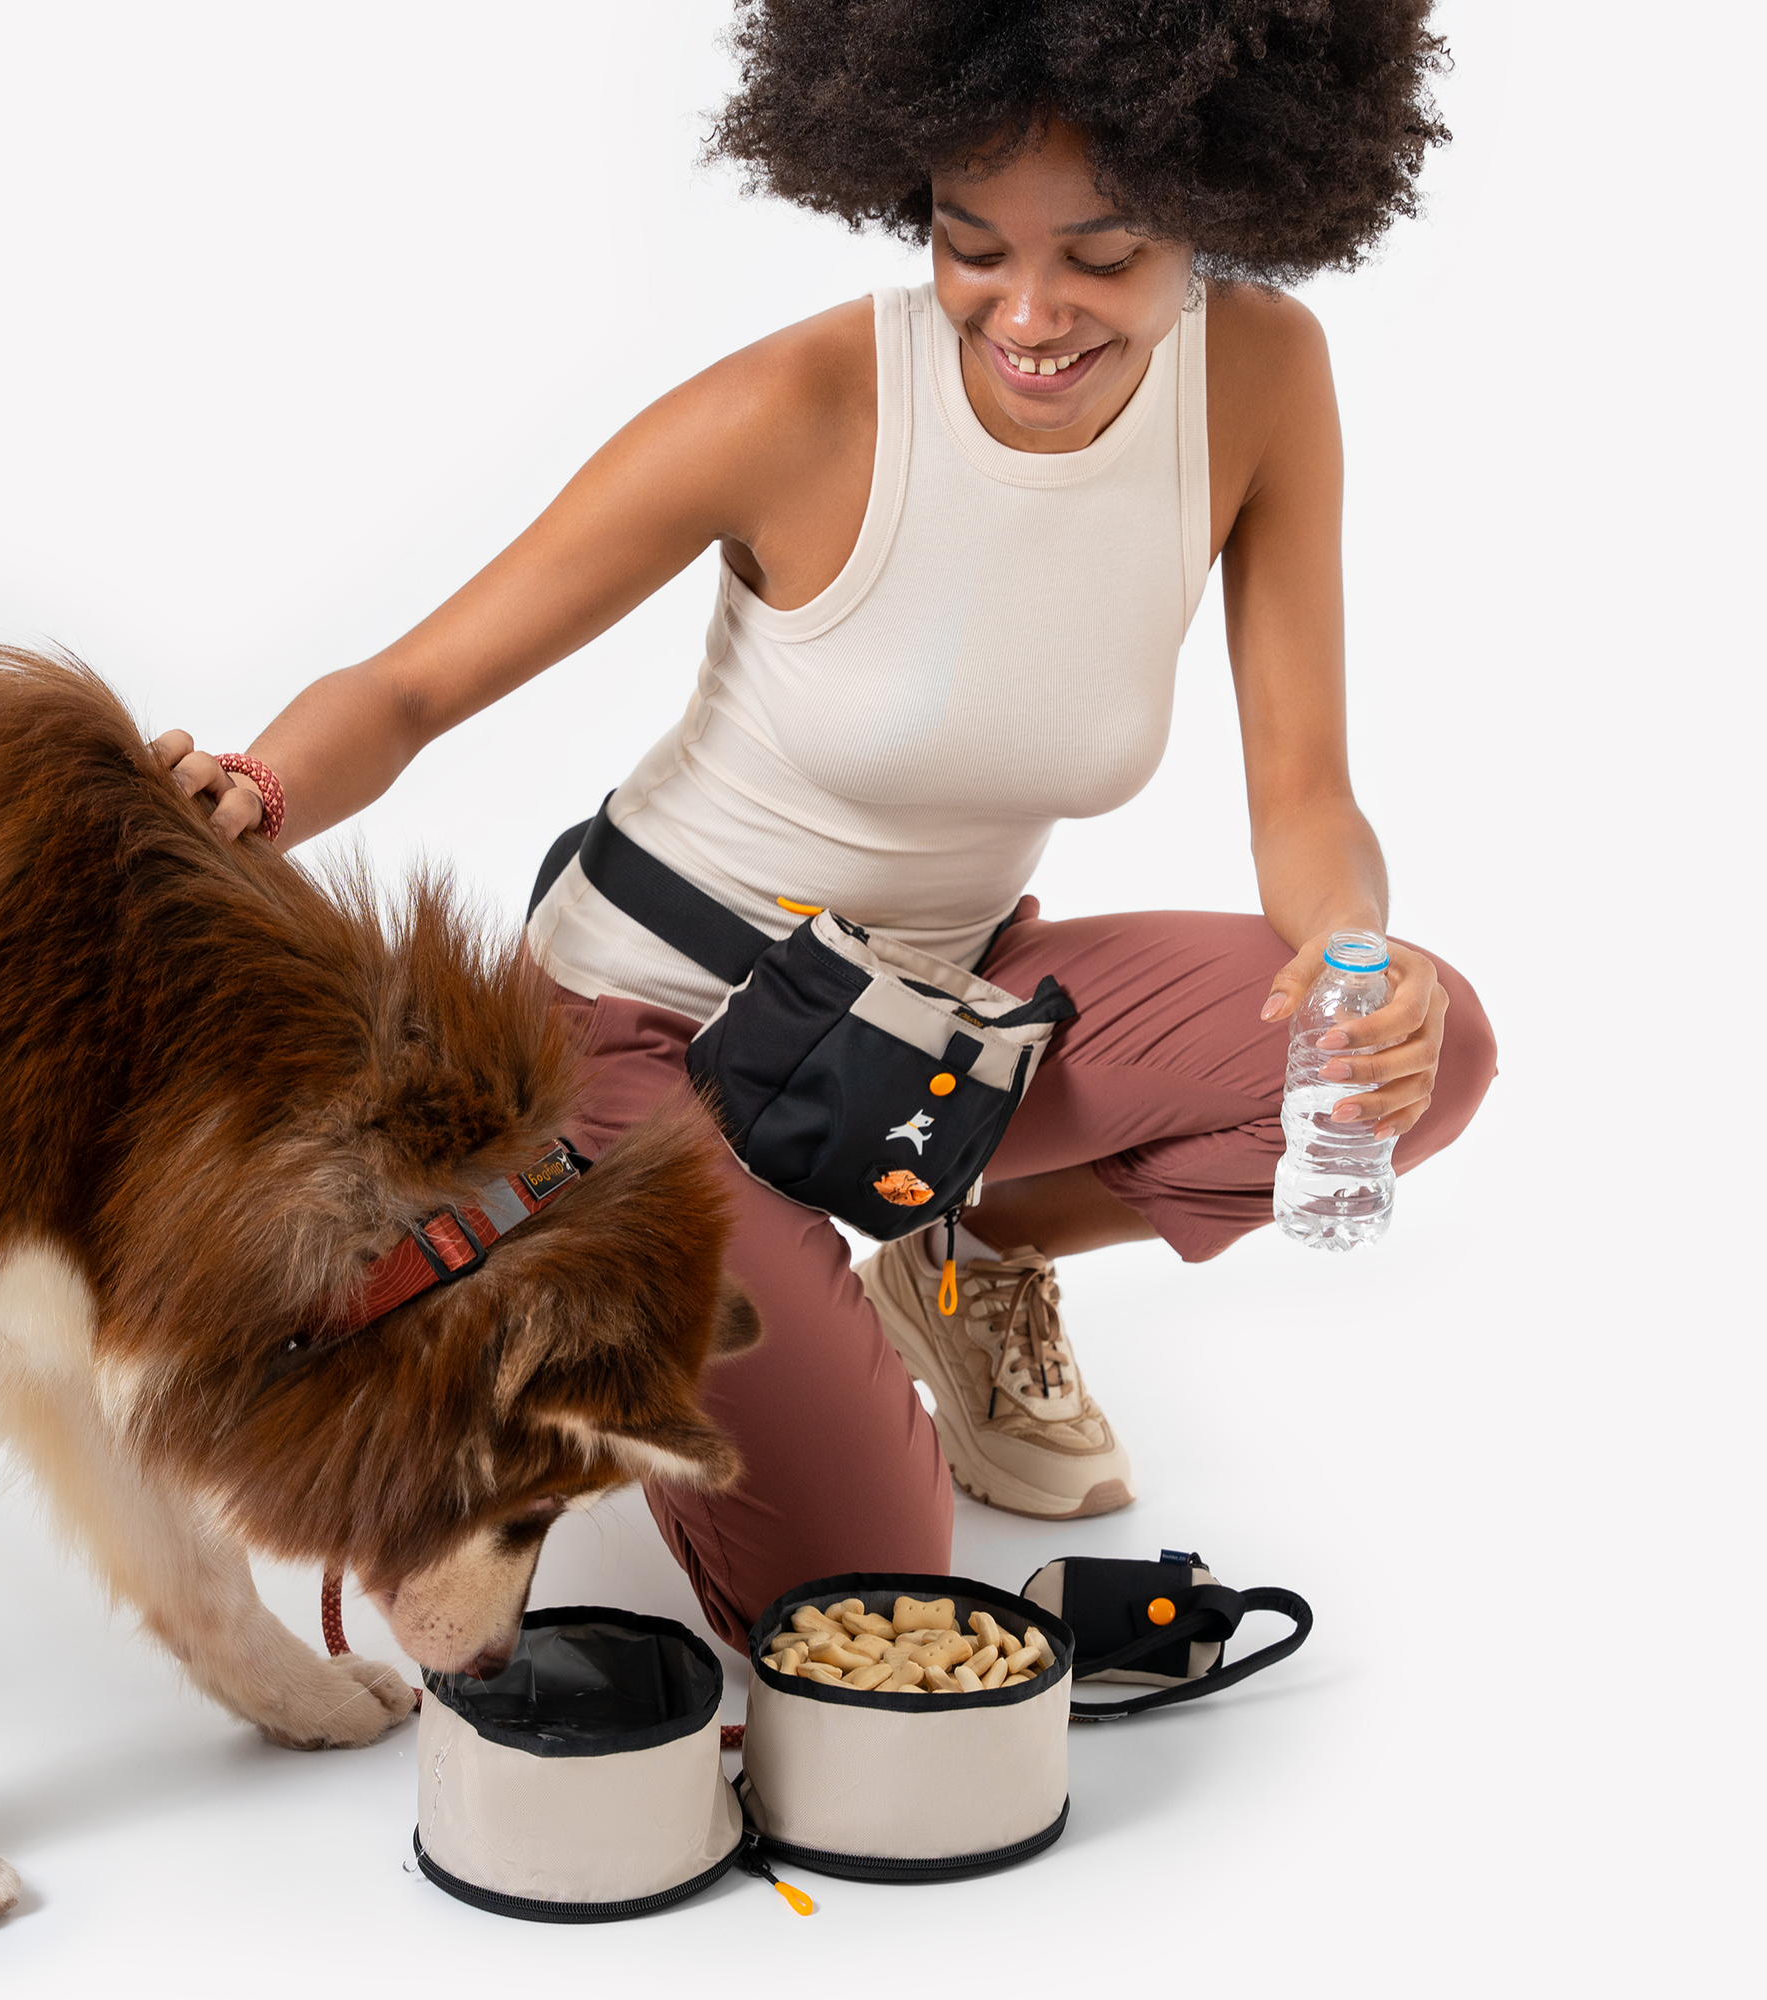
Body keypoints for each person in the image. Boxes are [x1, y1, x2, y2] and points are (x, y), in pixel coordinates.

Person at [157, 2, 1494, 1653]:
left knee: (1425, 1052)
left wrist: (1354, 959)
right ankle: (600, 1305)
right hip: (647, 1040)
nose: (1028, 313)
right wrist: (260, 791)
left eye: (1101, 256)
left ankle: (961, 1258)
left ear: (1220, 204)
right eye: (971, 245)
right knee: (869, 1599)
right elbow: (414, 686)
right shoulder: (799, 406)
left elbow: (1304, 792)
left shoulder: (1264, 377)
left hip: (936, 1016)